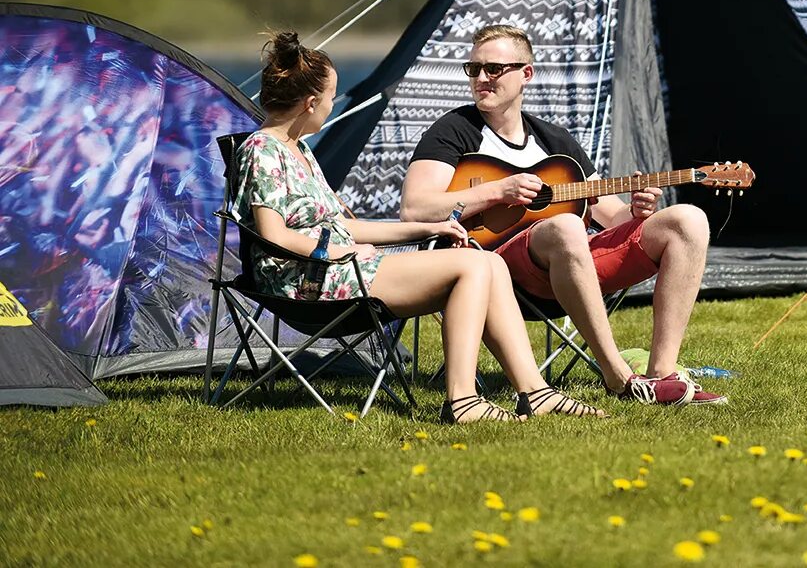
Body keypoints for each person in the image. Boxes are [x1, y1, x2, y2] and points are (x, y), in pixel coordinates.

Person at [233, 32, 605, 423]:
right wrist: (342, 253)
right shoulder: (263, 150)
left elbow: (340, 226)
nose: (332, 103)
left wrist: (429, 229)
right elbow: (274, 236)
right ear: (311, 103)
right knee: (474, 265)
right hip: (307, 281)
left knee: (489, 263)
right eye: (331, 96)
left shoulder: (299, 150)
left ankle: (535, 391)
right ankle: (462, 399)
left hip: (338, 267)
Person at [399, 24, 724, 407]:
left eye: (494, 69)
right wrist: (496, 191)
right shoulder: (454, 131)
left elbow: (611, 216)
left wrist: (635, 211)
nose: (482, 78)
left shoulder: (554, 140)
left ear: (526, 74)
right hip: (495, 268)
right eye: (474, 69)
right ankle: (617, 374)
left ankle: (662, 373)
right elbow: (414, 207)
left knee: (687, 219)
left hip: (571, 265)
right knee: (568, 226)